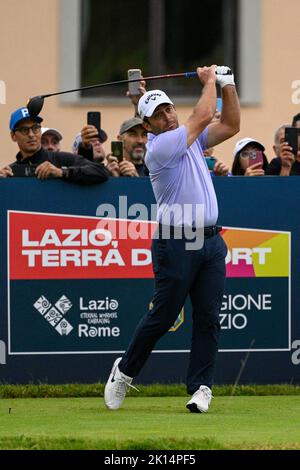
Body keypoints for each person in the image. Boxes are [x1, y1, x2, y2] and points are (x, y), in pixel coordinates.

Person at [104, 65, 240, 413]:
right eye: (158, 115)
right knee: (164, 316)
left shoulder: (189, 138)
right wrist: (210, 79)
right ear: (147, 126)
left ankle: (201, 389)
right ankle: (125, 371)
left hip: (210, 242)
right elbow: (205, 113)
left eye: (168, 109)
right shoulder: (162, 147)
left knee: (208, 317)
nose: (167, 116)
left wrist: (228, 84)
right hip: (176, 242)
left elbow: (231, 124)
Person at [0, 107, 109, 185]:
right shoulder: (11, 171)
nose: (31, 135)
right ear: (13, 136)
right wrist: (2, 183)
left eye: (35, 128)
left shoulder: (61, 159)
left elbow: (101, 172)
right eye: (24, 130)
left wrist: (61, 172)